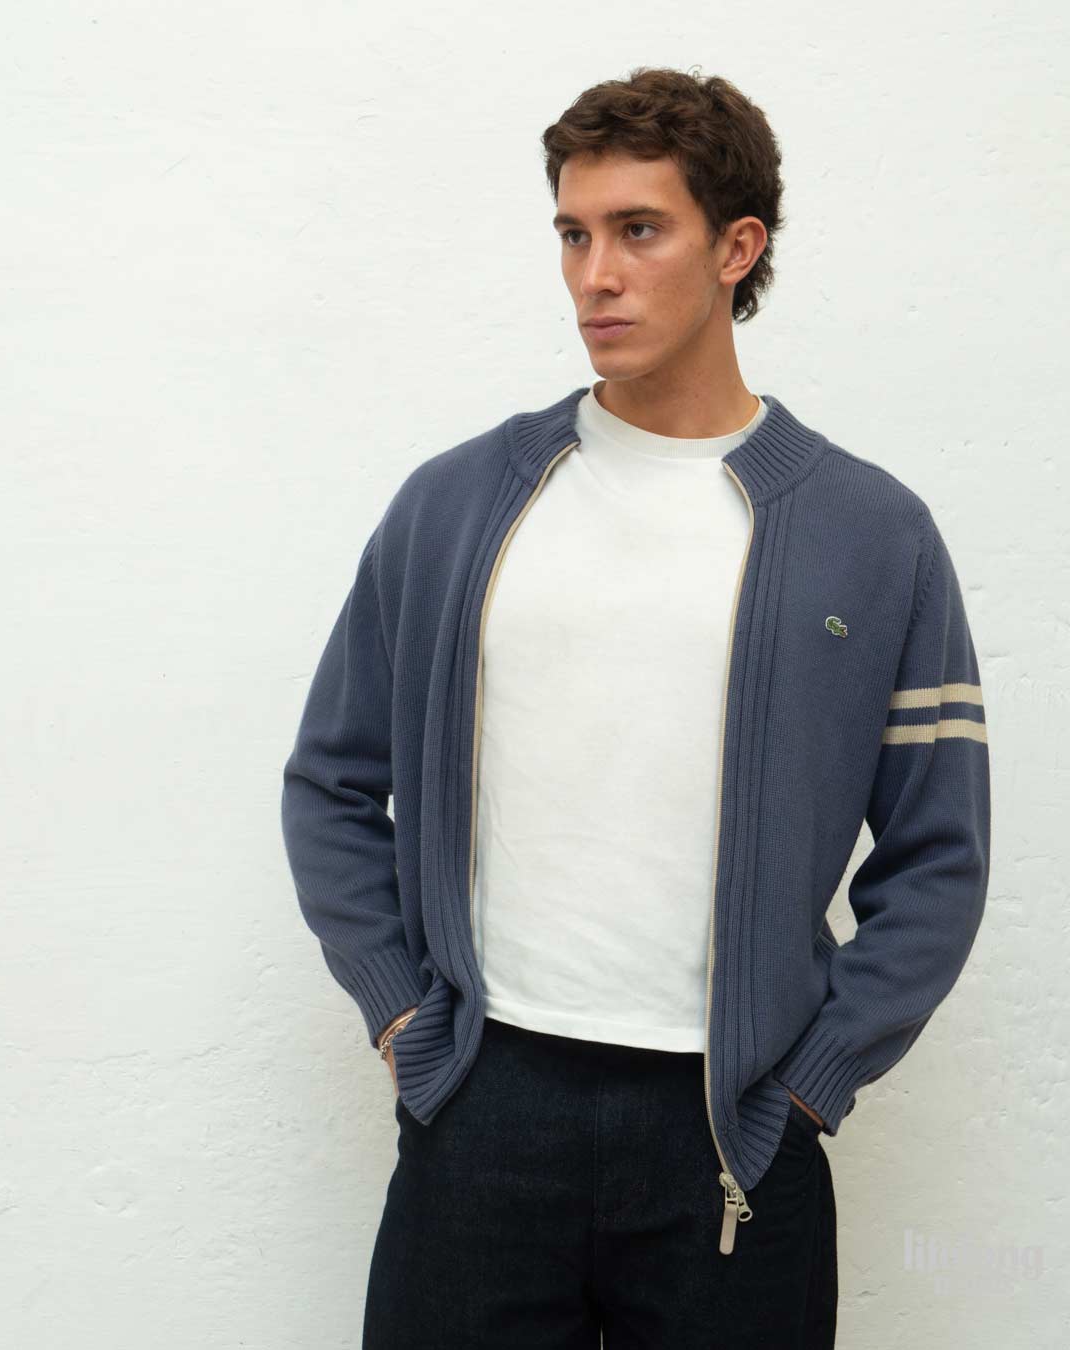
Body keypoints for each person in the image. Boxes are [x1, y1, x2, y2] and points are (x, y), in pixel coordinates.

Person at [280, 67, 990, 1349]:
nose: (594, 275)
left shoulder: (871, 535)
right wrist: (400, 1014)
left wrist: (814, 1083)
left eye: (638, 230)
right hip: (481, 1098)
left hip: (734, 1127)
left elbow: (939, 854)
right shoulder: (457, 507)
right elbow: (330, 782)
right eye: (573, 233)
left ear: (736, 248)